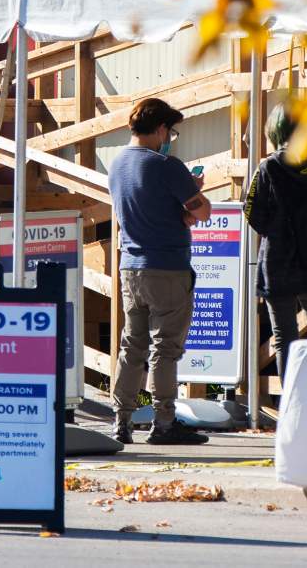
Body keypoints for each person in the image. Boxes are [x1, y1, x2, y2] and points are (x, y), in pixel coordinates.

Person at [108, 98, 212, 446]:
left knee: (131, 346)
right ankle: (164, 422)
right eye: (170, 131)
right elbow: (203, 212)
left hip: (130, 267)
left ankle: (121, 420)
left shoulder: (117, 163)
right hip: (167, 268)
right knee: (164, 348)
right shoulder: (167, 166)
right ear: (161, 128)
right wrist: (194, 190)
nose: (170, 138)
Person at [243, 104, 307, 382]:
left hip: (278, 262)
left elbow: (251, 210)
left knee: (284, 338)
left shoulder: (269, 167)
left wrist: (276, 231)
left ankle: (291, 404)